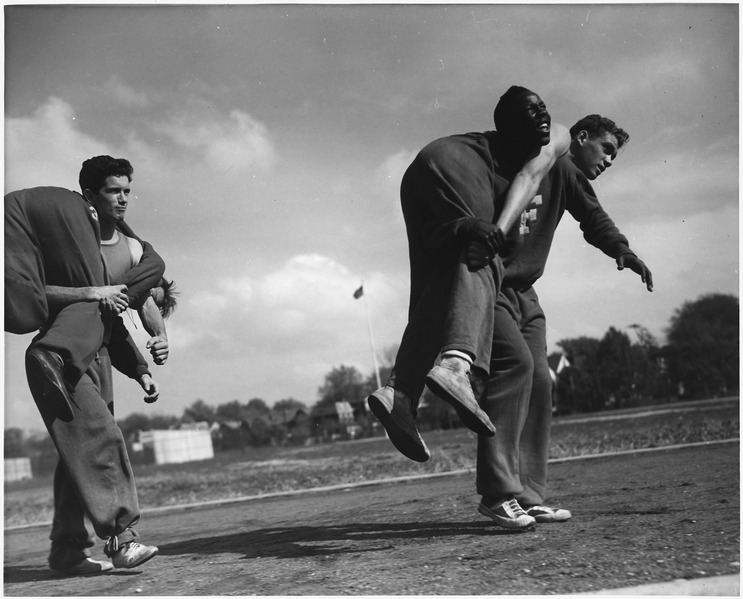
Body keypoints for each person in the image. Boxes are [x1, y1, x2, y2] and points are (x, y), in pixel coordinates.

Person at [367, 91, 571, 462]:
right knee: (482, 257)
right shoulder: (560, 137)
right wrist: (494, 232)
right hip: (454, 163)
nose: (544, 114)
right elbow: (529, 176)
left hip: (422, 171)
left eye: (543, 107)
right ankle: (456, 365)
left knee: (436, 286)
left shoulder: (524, 144)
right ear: (505, 126)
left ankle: (399, 393)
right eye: (532, 109)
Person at [4, 168, 165, 574]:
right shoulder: (70, 243)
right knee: (100, 441)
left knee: (76, 459)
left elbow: (113, 319)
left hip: (101, 357)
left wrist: (141, 368)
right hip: (61, 358)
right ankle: (121, 540)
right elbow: (38, 294)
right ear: (90, 196)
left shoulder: (126, 249)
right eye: (114, 191)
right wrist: (89, 291)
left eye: (128, 190)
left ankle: (67, 551)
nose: (124, 198)